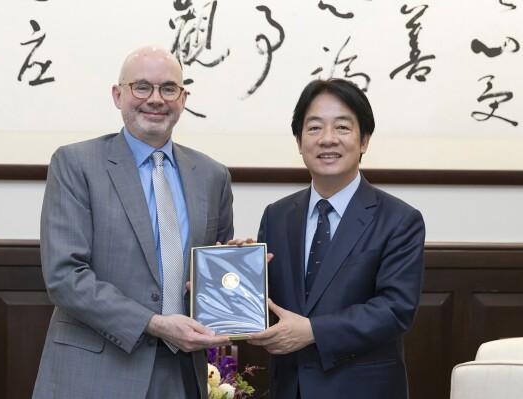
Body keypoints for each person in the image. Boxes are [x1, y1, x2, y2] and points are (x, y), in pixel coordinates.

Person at [32, 45, 232, 399]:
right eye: (142, 87)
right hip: (95, 374)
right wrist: (153, 324)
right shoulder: (75, 164)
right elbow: (65, 277)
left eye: (168, 88)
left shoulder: (212, 176)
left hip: (182, 375)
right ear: (118, 94)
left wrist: (236, 271)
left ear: (183, 98)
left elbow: (209, 275)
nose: (155, 99)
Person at [246, 78, 426, 399]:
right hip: (290, 388)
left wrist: (312, 331)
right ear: (300, 142)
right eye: (314, 128)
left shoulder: (399, 219)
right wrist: (230, 275)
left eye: (343, 127)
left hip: (363, 389)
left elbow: (395, 309)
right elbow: (266, 303)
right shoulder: (276, 215)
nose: (328, 139)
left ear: (364, 140)